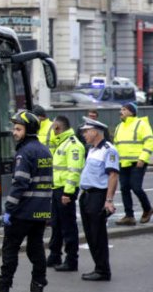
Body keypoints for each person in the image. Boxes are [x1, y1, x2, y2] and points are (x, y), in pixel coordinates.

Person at [0, 110, 53, 292]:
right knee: (36, 250)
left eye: (18, 129)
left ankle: (4, 285)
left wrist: (9, 209)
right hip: (40, 212)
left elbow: (20, 182)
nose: (14, 132)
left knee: (10, 249)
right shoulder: (45, 151)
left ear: (28, 131)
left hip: (22, 212)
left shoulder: (24, 153)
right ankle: (38, 284)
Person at [79, 117, 119, 281]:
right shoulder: (92, 149)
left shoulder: (109, 150)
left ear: (95, 132)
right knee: (90, 235)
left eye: (86, 131)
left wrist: (108, 200)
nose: (84, 134)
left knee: (98, 235)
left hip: (98, 196)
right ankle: (98, 267)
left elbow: (113, 175)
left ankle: (103, 271)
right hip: (87, 196)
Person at [46, 116, 85, 272]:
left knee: (68, 226)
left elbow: (73, 171)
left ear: (57, 128)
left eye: (52, 127)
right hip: (57, 189)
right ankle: (55, 255)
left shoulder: (73, 145)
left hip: (65, 190)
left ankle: (71, 260)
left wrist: (67, 193)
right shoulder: (61, 142)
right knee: (56, 224)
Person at [112, 102, 153, 225]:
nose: (121, 112)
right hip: (123, 163)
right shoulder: (119, 127)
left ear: (132, 112)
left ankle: (147, 209)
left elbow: (149, 141)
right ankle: (129, 216)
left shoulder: (141, 124)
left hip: (137, 162)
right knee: (124, 188)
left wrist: (143, 158)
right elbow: (116, 146)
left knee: (136, 187)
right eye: (121, 109)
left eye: (124, 109)